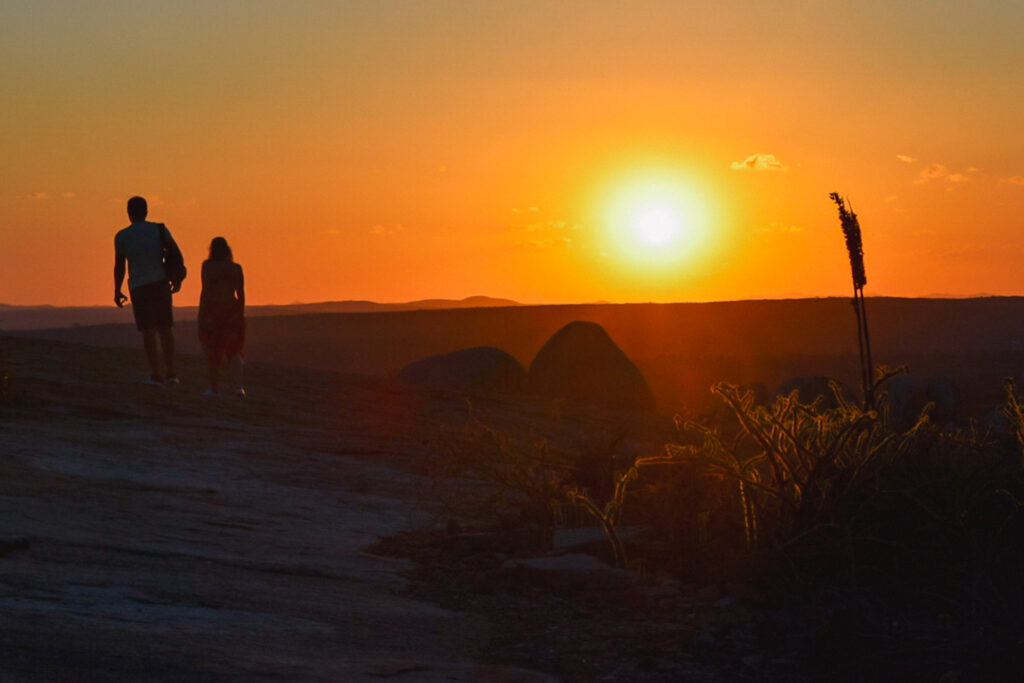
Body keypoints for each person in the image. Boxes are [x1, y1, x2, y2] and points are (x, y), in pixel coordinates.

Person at [114, 196, 183, 386]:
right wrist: (177, 279)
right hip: (160, 283)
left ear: (129, 213)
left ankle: (155, 373)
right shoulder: (159, 229)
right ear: (146, 211)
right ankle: (171, 373)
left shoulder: (122, 236)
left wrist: (117, 289)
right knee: (166, 329)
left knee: (148, 331)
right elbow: (176, 253)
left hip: (139, 285)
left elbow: (120, 265)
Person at [198, 237, 245, 396]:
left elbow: (205, 292)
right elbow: (241, 294)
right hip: (232, 311)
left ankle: (213, 388)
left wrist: (201, 314)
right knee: (234, 350)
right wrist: (240, 314)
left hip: (213, 311)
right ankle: (238, 387)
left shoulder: (208, 267)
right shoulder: (236, 268)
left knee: (213, 351)